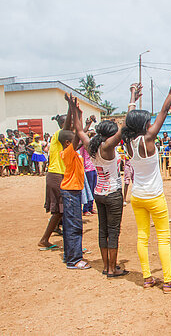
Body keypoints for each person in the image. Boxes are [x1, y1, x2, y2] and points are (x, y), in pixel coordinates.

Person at [122, 70, 171, 293]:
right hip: (155, 196)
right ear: (143, 125)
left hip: (137, 196)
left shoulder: (127, 141)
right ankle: (168, 281)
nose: (151, 121)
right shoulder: (148, 139)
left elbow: (129, 119)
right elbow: (165, 110)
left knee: (142, 236)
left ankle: (147, 277)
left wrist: (132, 96)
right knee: (163, 238)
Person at [72, 88, 135, 278]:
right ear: (110, 134)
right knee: (113, 231)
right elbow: (126, 125)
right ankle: (112, 268)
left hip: (98, 193)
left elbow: (79, 129)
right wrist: (131, 97)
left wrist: (75, 110)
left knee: (103, 229)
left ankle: (107, 265)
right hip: (113, 193)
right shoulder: (108, 147)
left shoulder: (91, 144)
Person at [59, 94, 90, 270]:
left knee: (71, 225)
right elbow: (79, 134)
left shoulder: (70, 151)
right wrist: (75, 111)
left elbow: (79, 133)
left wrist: (76, 110)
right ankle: (74, 260)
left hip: (72, 191)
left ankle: (69, 255)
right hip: (71, 192)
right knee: (74, 226)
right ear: (68, 142)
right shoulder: (68, 152)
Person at [39, 112, 72, 249]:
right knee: (60, 210)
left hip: (58, 175)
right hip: (57, 175)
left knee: (62, 210)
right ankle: (44, 239)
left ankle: (50, 238)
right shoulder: (60, 134)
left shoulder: (64, 136)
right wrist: (71, 109)